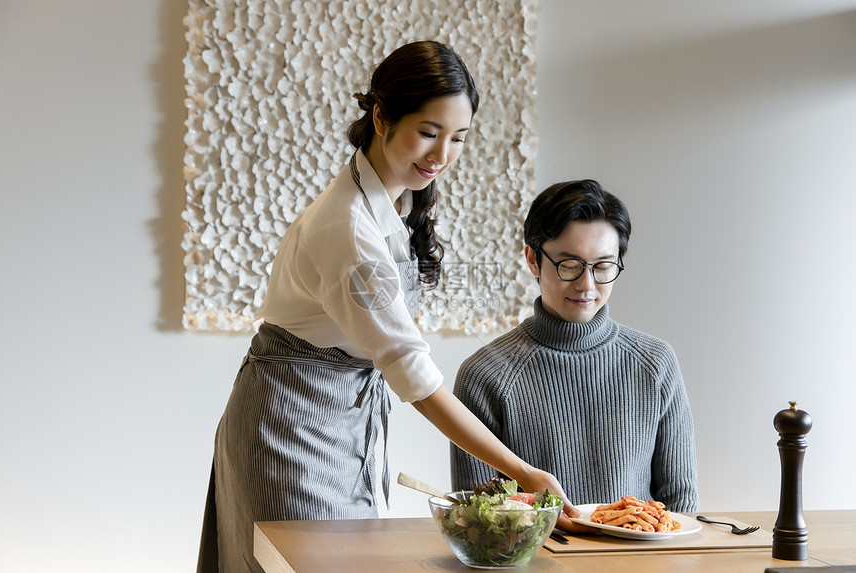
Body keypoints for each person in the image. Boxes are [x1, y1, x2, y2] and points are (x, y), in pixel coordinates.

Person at [197, 41, 577, 572]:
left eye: (458, 138)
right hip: (291, 424)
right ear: (380, 117)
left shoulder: (396, 196)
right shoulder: (348, 228)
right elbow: (414, 375)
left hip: (335, 416)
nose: (442, 155)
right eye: (428, 132)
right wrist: (524, 473)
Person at [450, 179, 699, 514]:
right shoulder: (484, 375)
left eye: (603, 266)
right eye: (569, 265)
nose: (587, 285)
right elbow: (481, 519)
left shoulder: (656, 362)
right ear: (533, 260)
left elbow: (680, 503)